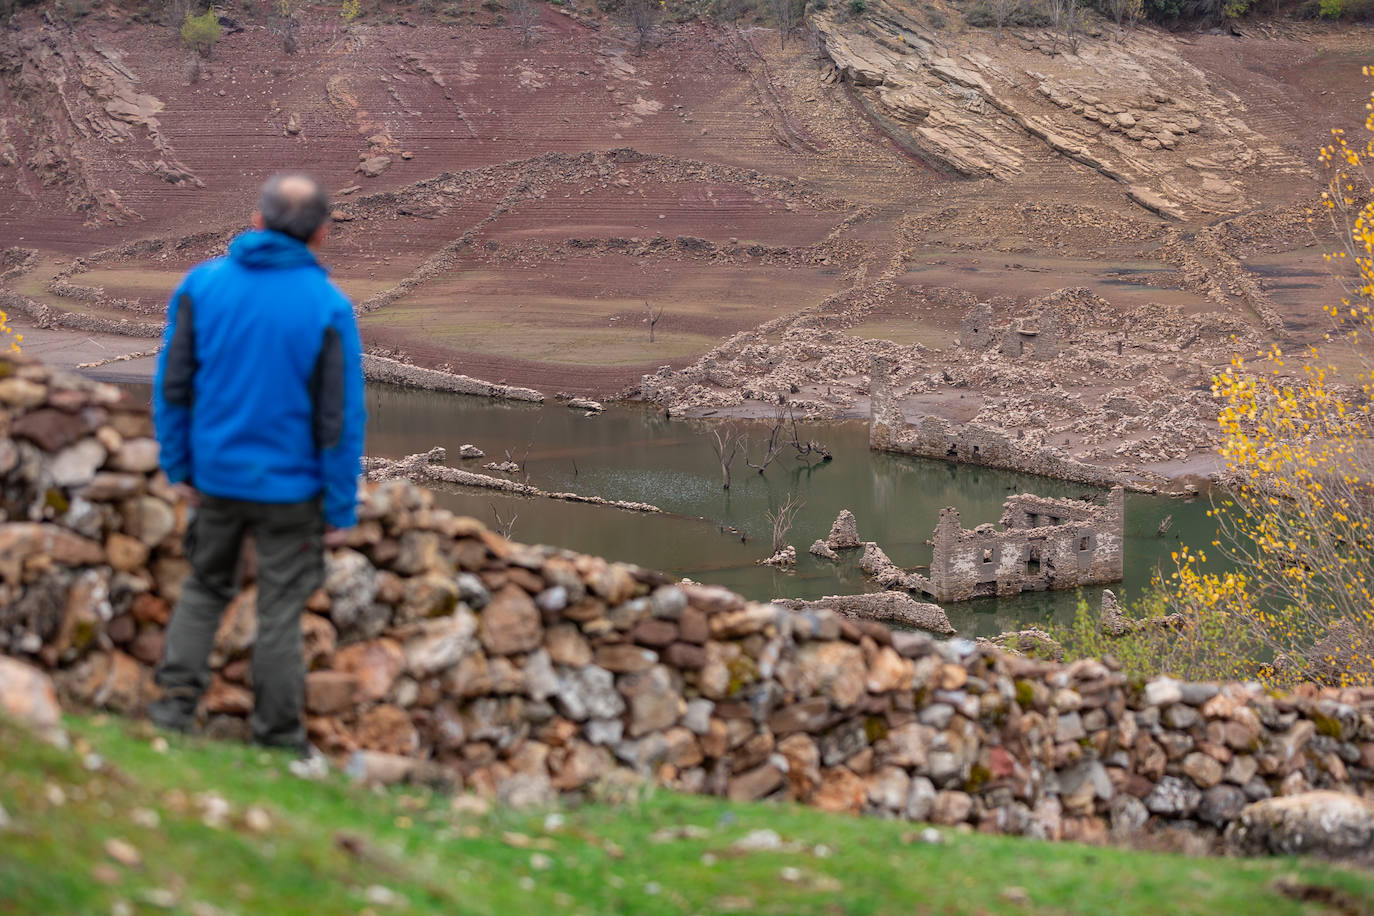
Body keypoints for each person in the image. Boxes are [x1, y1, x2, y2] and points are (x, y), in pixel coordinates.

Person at [147, 173, 366, 752]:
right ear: (320, 234)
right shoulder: (328, 306)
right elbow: (338, 422)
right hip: (292, 495)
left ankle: (172, 711)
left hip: (216, 477)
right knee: (279, 612)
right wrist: (340, 505)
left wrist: (180, 467)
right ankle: (278, 740)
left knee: (204, 589)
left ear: (257, 221)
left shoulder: (202, 286)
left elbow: (173, 388)